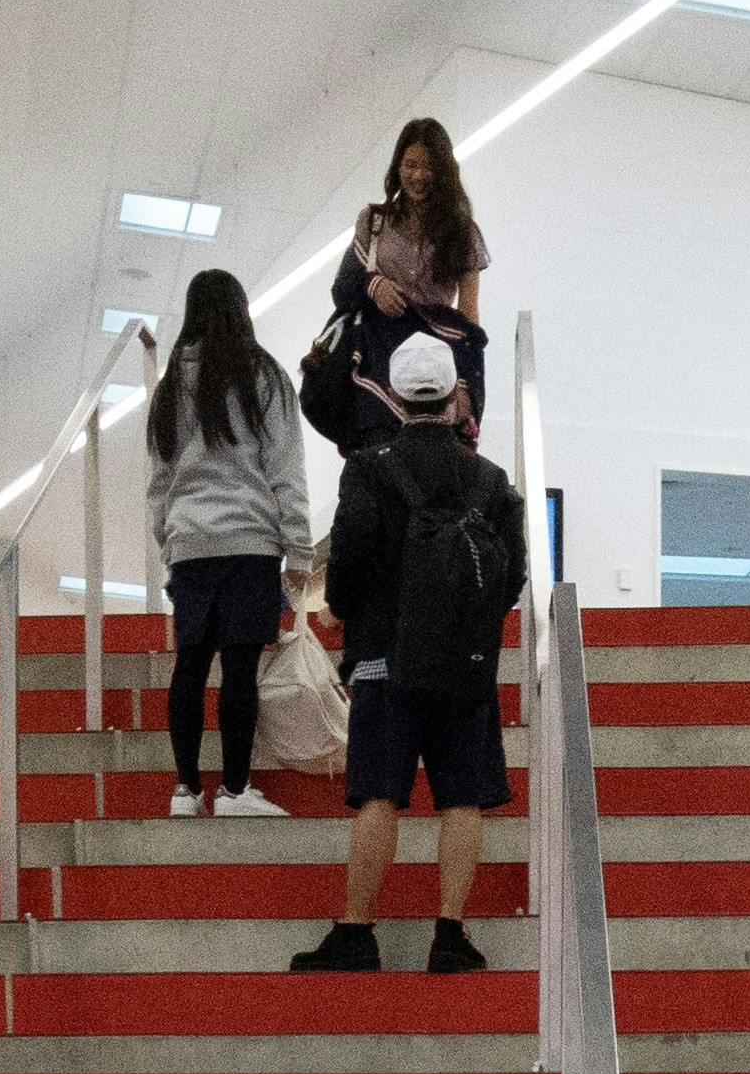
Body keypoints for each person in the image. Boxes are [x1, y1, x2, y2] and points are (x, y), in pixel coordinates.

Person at [296, 332, 522, 975]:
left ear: (395, 397)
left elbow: (350, 560)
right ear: (456, 396)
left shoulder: (370, 468)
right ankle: (451, 934)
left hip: (384, 662)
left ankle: (358, 931)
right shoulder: (489, 478)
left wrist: (342, 608)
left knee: (378, 794)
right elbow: (513, 575)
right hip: (465, 666)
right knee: (462, 799)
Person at [143, 267, 300, 819]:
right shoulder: (264, 376)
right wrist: (299, 549)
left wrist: (171, 542)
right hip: (251, 541)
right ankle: (235, 790)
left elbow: (160, 481)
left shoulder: (168, 389)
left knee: (190, 664)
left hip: (191, 542)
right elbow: (284, 467)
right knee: (239, 669)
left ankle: (185, 790)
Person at [297, 119, 490, 468]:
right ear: (397, 166)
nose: (418, 176)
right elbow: (342, 290)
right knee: (376, 454)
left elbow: (469, 316)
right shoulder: (374, 222)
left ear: (443, 171)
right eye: (410, 165)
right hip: (376, 357)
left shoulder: (464, 233)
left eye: (428, 167)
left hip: (435, 358)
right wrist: (374, 284)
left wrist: (463, 383)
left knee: (432, 461)